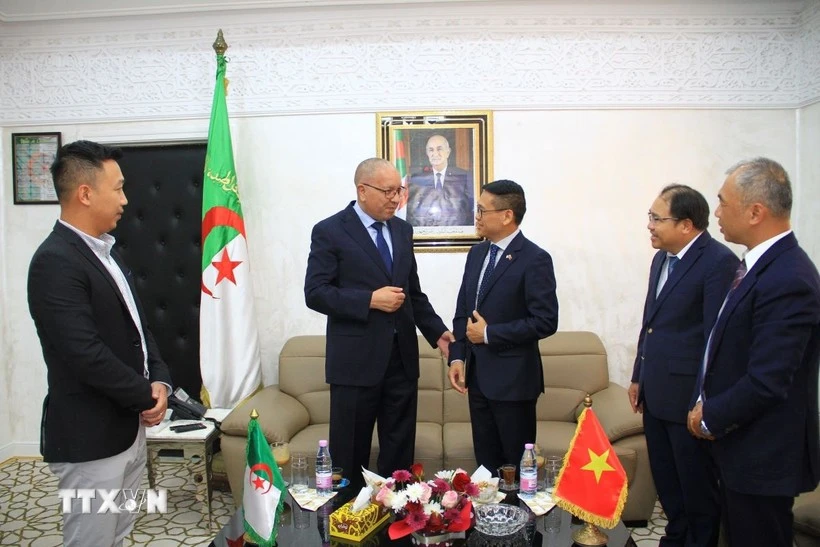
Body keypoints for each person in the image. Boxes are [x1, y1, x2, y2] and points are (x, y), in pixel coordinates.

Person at [27, 140, 172, 547]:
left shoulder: (108, 253)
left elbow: (140, 332)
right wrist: (144, 394)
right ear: (86, 193)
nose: (126, 200)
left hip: (126, 430)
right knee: (91, 538)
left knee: (120, 532)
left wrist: (159, 380)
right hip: (90, 438)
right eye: (119, 188)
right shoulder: (55, 260)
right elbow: (84, 355)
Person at [687, 158, 820, 547]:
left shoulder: (788, 278)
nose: (716, 213)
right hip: (740, 445)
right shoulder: (757, 266)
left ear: (755, 211)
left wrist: (709, 416)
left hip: (764, 452)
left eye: (723, 202)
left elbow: (769, 380)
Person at [304, 158, 454, 490]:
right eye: (388, 191)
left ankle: (397, 521)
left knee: (399, 453)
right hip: (354, 364)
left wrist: (438, 333)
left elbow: (412, 293)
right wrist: (369, 300)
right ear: (362, 190)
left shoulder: (402, 230)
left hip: (401, 361)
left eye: (399, 190)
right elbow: (315, 293)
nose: (395, 198)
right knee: (350, 452)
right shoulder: (330, 230)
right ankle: (349, 524)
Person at [629, 184, 738, 547]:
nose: (650, 225)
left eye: (657, 218)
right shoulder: (661, 258)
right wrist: (637, 377)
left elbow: (716, 340)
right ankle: (675, 539)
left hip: (687, 399)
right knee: (669, 483)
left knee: (697, 488)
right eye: (650, 216)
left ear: (687, 225)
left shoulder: (717, 262)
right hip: (656, 393)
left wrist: (702, 401)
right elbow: (651, 323)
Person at [447, 179, 558, 474]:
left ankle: (522, 520)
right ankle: (488, 519)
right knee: (486, 467)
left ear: (507, 215)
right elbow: (462, 312)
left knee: (516, 470)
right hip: (478, 379)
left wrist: (488, 334)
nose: (477, 216)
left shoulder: (535, 259)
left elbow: (546, 320)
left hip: (514, 383)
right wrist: (457, 355)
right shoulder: (477, 254)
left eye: (482, 210)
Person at [406, 134, 474, 227]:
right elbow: (412, 211)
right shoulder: (416, 179)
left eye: (439, 149)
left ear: (448, 152)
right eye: (431, 150)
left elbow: (471, 210)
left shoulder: (464, 177)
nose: (435, 154)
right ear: (427, 153)